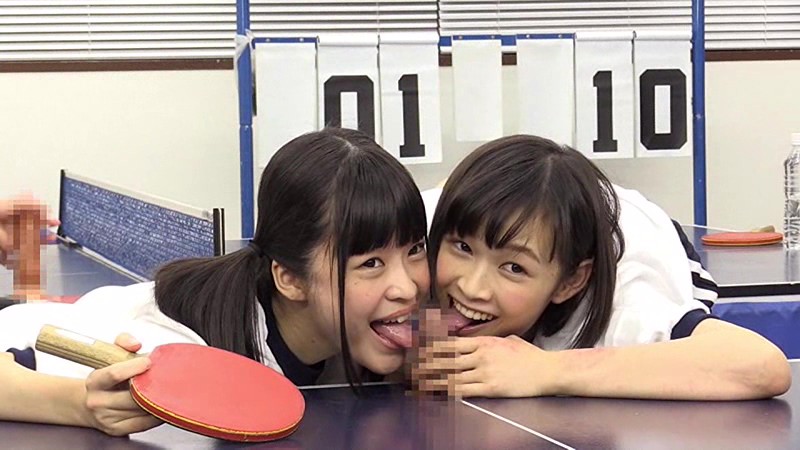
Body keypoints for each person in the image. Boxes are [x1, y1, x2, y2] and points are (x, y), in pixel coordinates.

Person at [0, 128, 429, 435]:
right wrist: (80, 405)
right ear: (290, 279)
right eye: (371, 263)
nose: (407, 288)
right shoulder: (176, 354)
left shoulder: (360, 312)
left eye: (415, 249)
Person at [415, 134, 791, 400]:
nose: (472, 287)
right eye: (463, 248)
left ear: (570, 282)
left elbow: (761, 365)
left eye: (513, 268)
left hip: (636, 234)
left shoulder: (625, 301)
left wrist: (545, 370)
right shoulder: (420, 236)